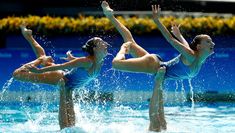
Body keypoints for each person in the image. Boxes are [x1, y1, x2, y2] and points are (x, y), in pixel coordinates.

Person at [102, 1, 215, 132]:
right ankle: (122, 50)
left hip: (158, 66)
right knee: (117, 63)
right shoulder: (191, 56)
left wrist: (179, 35)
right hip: (154, 65)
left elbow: (185, 46)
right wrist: (156, 20)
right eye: (208, 41)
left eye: (211, 41)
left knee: (131, 42)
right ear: (199, 47)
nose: (212, 43)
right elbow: (170, 40)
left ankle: (110, 16)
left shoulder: (197, 58)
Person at [13, 25, 109, 129]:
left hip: (69, 84)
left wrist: (73, 59)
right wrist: (38, 70)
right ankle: (40, 59)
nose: (105, 44)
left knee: (71, 126)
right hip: (61, 78)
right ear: (95, 49)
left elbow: (80, 64)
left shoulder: (99, 61)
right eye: (101, 43)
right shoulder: (86, 62)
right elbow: (61, 66)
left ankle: (29, 37)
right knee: (17, 75)